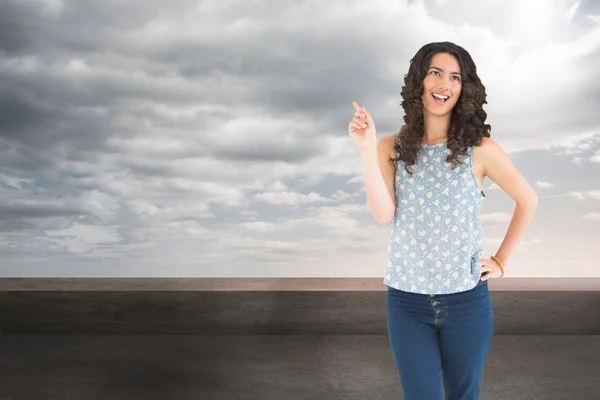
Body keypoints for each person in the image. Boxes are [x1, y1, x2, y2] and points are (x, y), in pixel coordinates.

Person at [348, 41, 538, 400]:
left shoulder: (480, 149)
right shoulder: (390, 145)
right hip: (406, 303)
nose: (444, 84)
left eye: (455, 77)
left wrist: (501, 262)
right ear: (419, 81)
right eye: (435, 72)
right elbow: (383, 213)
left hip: (466, 303)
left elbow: (528, 199)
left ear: (464, 88)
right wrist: (365, 148)